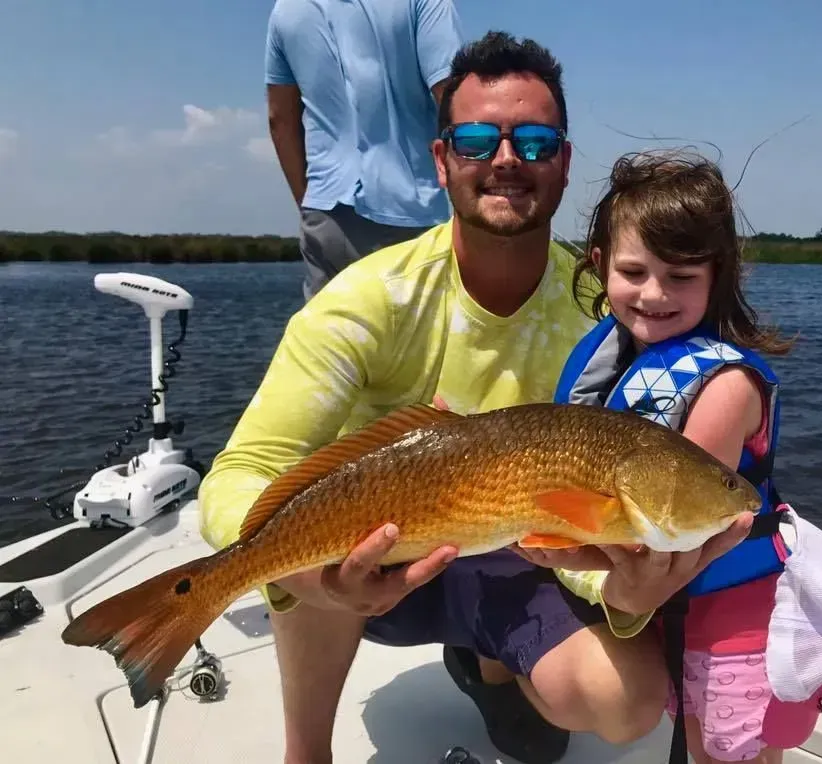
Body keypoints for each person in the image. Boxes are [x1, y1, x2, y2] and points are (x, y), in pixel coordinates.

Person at [198, 32, 752, 764]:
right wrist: (312, 571)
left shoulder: (612, 318)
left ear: (563, 163)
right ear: (441, 159)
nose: (505, 159)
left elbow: (610, 493)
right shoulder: (365, 300)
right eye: (475, 139)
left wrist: (624, 598)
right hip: (377, 570)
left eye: (534, 140)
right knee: (310, 534)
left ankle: (489, 660)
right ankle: (307, 752)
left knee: (628, 707)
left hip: (523, 562)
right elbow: (243, 472)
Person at [546, 150, 822, 763]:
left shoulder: (723, 388)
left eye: (681, 276)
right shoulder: (614, 358)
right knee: (699, 742)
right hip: (678, 609)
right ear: (599, 266)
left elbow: (675, 520)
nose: (653, 294)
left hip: (735, 621)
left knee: (732, 752)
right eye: (634, 271)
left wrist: (566, 544)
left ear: (716, 275)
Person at [263, 0, 465, 300]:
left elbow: (280, 119)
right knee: (420, 343)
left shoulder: (287, 9)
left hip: (324, 215)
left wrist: (309, 201)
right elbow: (456, 103)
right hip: (409, 216)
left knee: (326, 343)